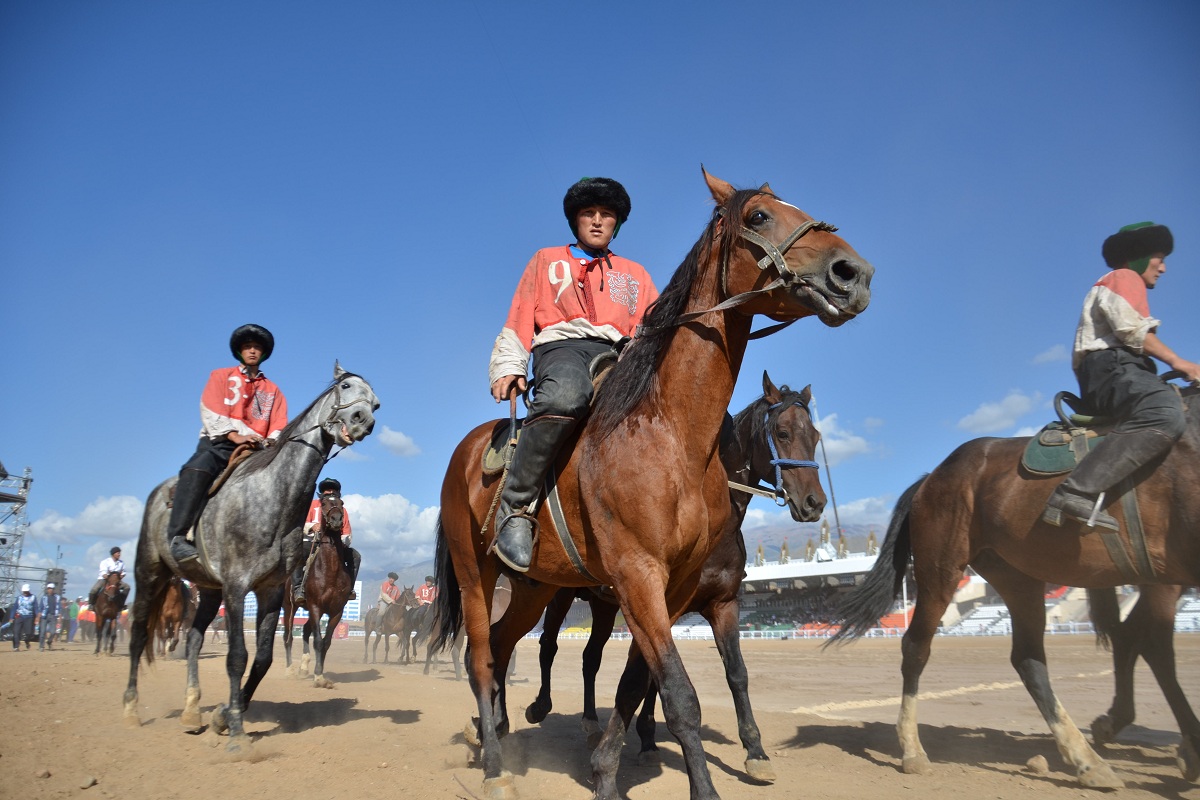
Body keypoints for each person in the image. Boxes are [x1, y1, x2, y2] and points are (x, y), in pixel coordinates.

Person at [488, 177, 658, 571]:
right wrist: (509, 366)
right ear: (576, 221)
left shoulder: (637, 274)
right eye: (588, 214)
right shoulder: (546, 259)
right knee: (566, 395)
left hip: (620, 354)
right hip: (561, 346)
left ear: (616, 223)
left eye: (607, 215)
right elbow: (520, 314)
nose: (598, 222)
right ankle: (515, 506)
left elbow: (653, 325)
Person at [1043, 222, 1200, 531]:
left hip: (1122, 369)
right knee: (1165, 412)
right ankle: (1075, 491)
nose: (1164, 268)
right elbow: (1133, 332)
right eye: (1159, 257)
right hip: (1111, 370)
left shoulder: (1126, 282)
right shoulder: (1124, 277)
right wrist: (1184, 364)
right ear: (1138, 256)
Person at [167, 324, 288, 563]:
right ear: (239, 351)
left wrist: (271, 442)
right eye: (247, 347)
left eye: (257, 347)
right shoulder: (220, 376)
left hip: (257, 450)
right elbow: (212, 409)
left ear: (263, 353)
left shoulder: (273, 390)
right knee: (198, 467)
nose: (252, 351)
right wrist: (235, 436)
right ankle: (178, 537)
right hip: (220, 443)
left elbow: (279, 423)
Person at [292, 477, 358, 604]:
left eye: (333, 492)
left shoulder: (342, 510)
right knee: (298, 554)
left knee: (356, 557)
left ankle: (349, 589)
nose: (330, 494)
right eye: (327, 492)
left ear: (338, 494)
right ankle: (298, 589)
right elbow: (301, 523)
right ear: (322, 494)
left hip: (334, 544)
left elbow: (347, 532)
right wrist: (312, 526)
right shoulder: (311, 505)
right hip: (311, 541)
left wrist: (343, 542)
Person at [36, 582, 63, 651]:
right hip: (44, 616)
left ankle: (49, 641)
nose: (50, 590)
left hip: (53, 616)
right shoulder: (44, 598)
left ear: (53, 589)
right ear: (47, 589)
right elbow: (40, 607)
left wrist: (60, 616)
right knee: (42, 632)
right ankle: (41, 646)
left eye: (51, 589)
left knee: (53, 632)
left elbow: (59, 607)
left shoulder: (57, 597)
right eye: (49, 588)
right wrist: (38, 617)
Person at [10, 584, 36, 650]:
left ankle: (27, 641)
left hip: (29, 617)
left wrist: (37, 617)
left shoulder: (33, 597)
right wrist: (11, 617)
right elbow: (15, 608)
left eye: (26, 591)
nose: (25, 593)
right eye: (24, 591)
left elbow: (36, 608)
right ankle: (16, 646)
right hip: (19, 616)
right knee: (16, 632)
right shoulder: (19, 598)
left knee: (28, 633)